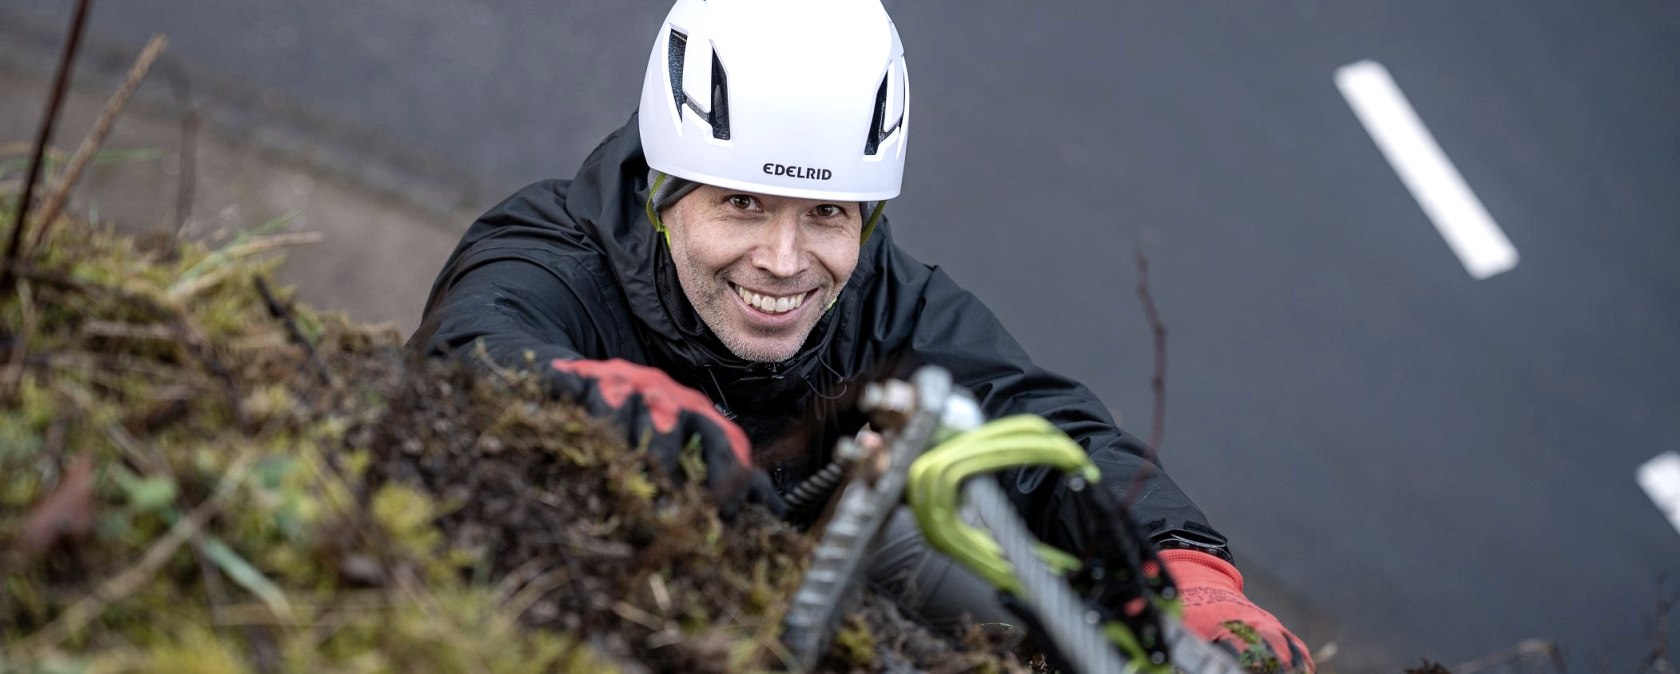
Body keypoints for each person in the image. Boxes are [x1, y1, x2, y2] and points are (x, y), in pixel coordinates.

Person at [409, 0, 1311, 669]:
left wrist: (1185, 575)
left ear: (868, 218)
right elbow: (477, 342)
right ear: (664, 188)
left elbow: (1050, 435)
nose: (785, 260)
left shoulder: (884, 302)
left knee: (973, 531)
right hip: (565, 604)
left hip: (798, 604)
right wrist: (606, 404)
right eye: (744, 203)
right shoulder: (552, 253)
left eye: (828, 213)